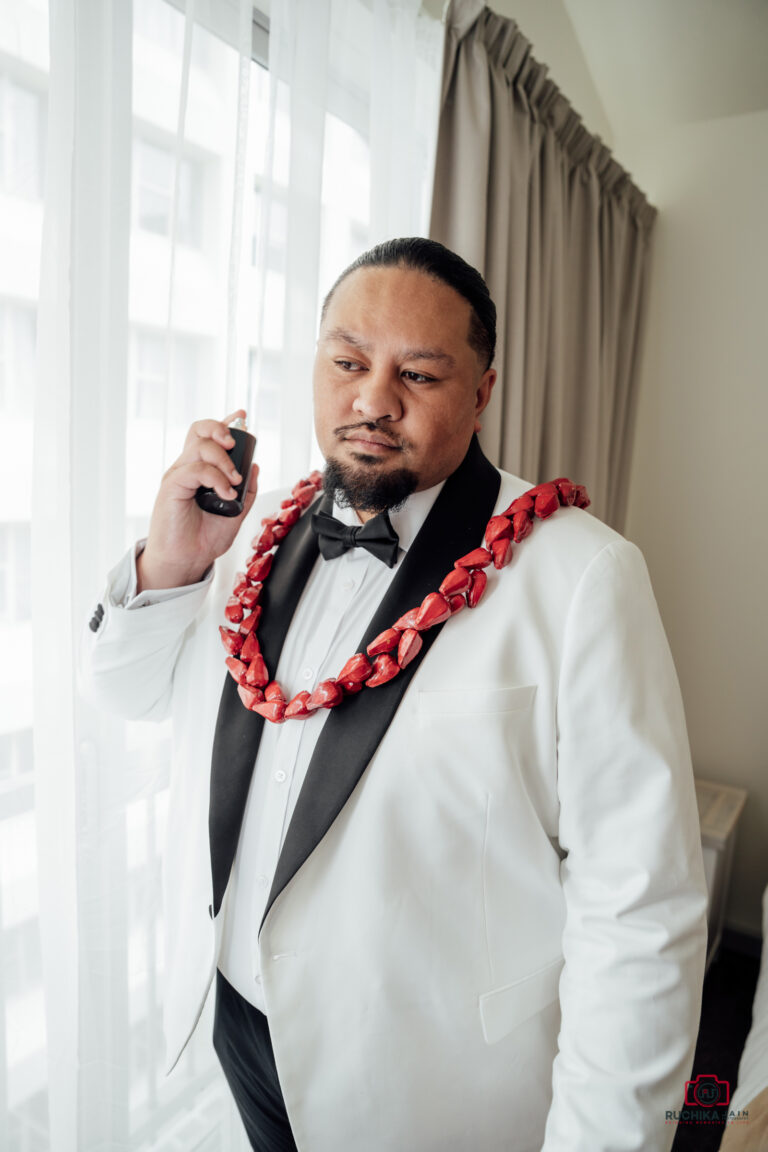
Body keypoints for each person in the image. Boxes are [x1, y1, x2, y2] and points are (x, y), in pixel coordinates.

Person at [80, 238, 708, 1152]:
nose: (373, 400)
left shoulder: (584, 575)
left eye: (417, 373)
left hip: (427, 1083)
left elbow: (640, 908)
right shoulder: (251, 532)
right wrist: (171, 564)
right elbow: (127, 695)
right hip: (238, 1023)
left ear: (482, 394)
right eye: (347, 363)